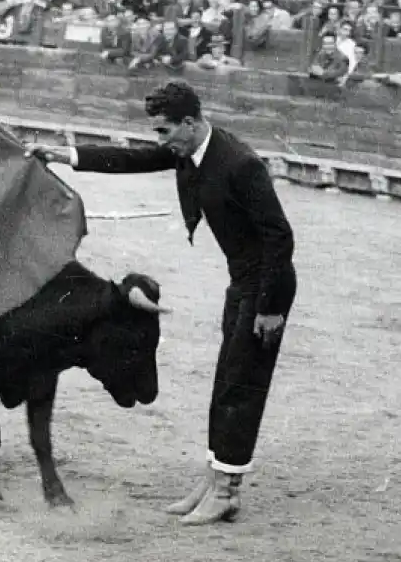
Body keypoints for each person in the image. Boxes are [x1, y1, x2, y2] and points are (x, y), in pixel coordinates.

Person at [27, 80, 296, 527]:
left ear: (189, 124)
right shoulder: (191, 149)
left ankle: (226, 490)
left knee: (241, 383)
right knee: (227, 379)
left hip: (268, 287)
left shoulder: (240, 163)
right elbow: (133, 159)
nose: (160, 141)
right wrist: (63, 155)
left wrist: (270, 307)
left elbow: (280, 237)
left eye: (164, 131)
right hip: (243, 281)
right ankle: (215, 478)